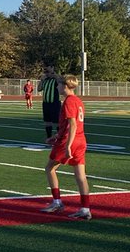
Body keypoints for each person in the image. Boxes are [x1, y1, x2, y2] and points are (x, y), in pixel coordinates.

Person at [39, 75, 92, 220]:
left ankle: (57, 202)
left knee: (50, 168)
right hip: (81, 140)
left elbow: (72, 124)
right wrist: (55, 136)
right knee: (81, 175)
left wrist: (67, 144)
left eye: (59, 85)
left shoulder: (68, 101)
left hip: (70, 141)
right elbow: (70, 125)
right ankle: (85, 208)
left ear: (65, 86)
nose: (57, 87)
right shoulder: (78, 101)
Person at [38, 65, 60, 140]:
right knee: (47, 121)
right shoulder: (45, 80)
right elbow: (39, 89)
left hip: (54, 103)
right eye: (46, 72)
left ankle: (60, 138)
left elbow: (59, 81)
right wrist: (41, 80)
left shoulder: (55, 79)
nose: (47, 73)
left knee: (57, 121)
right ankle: (49, 137)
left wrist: (53, 73)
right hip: (46, 103)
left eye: (48, 72)